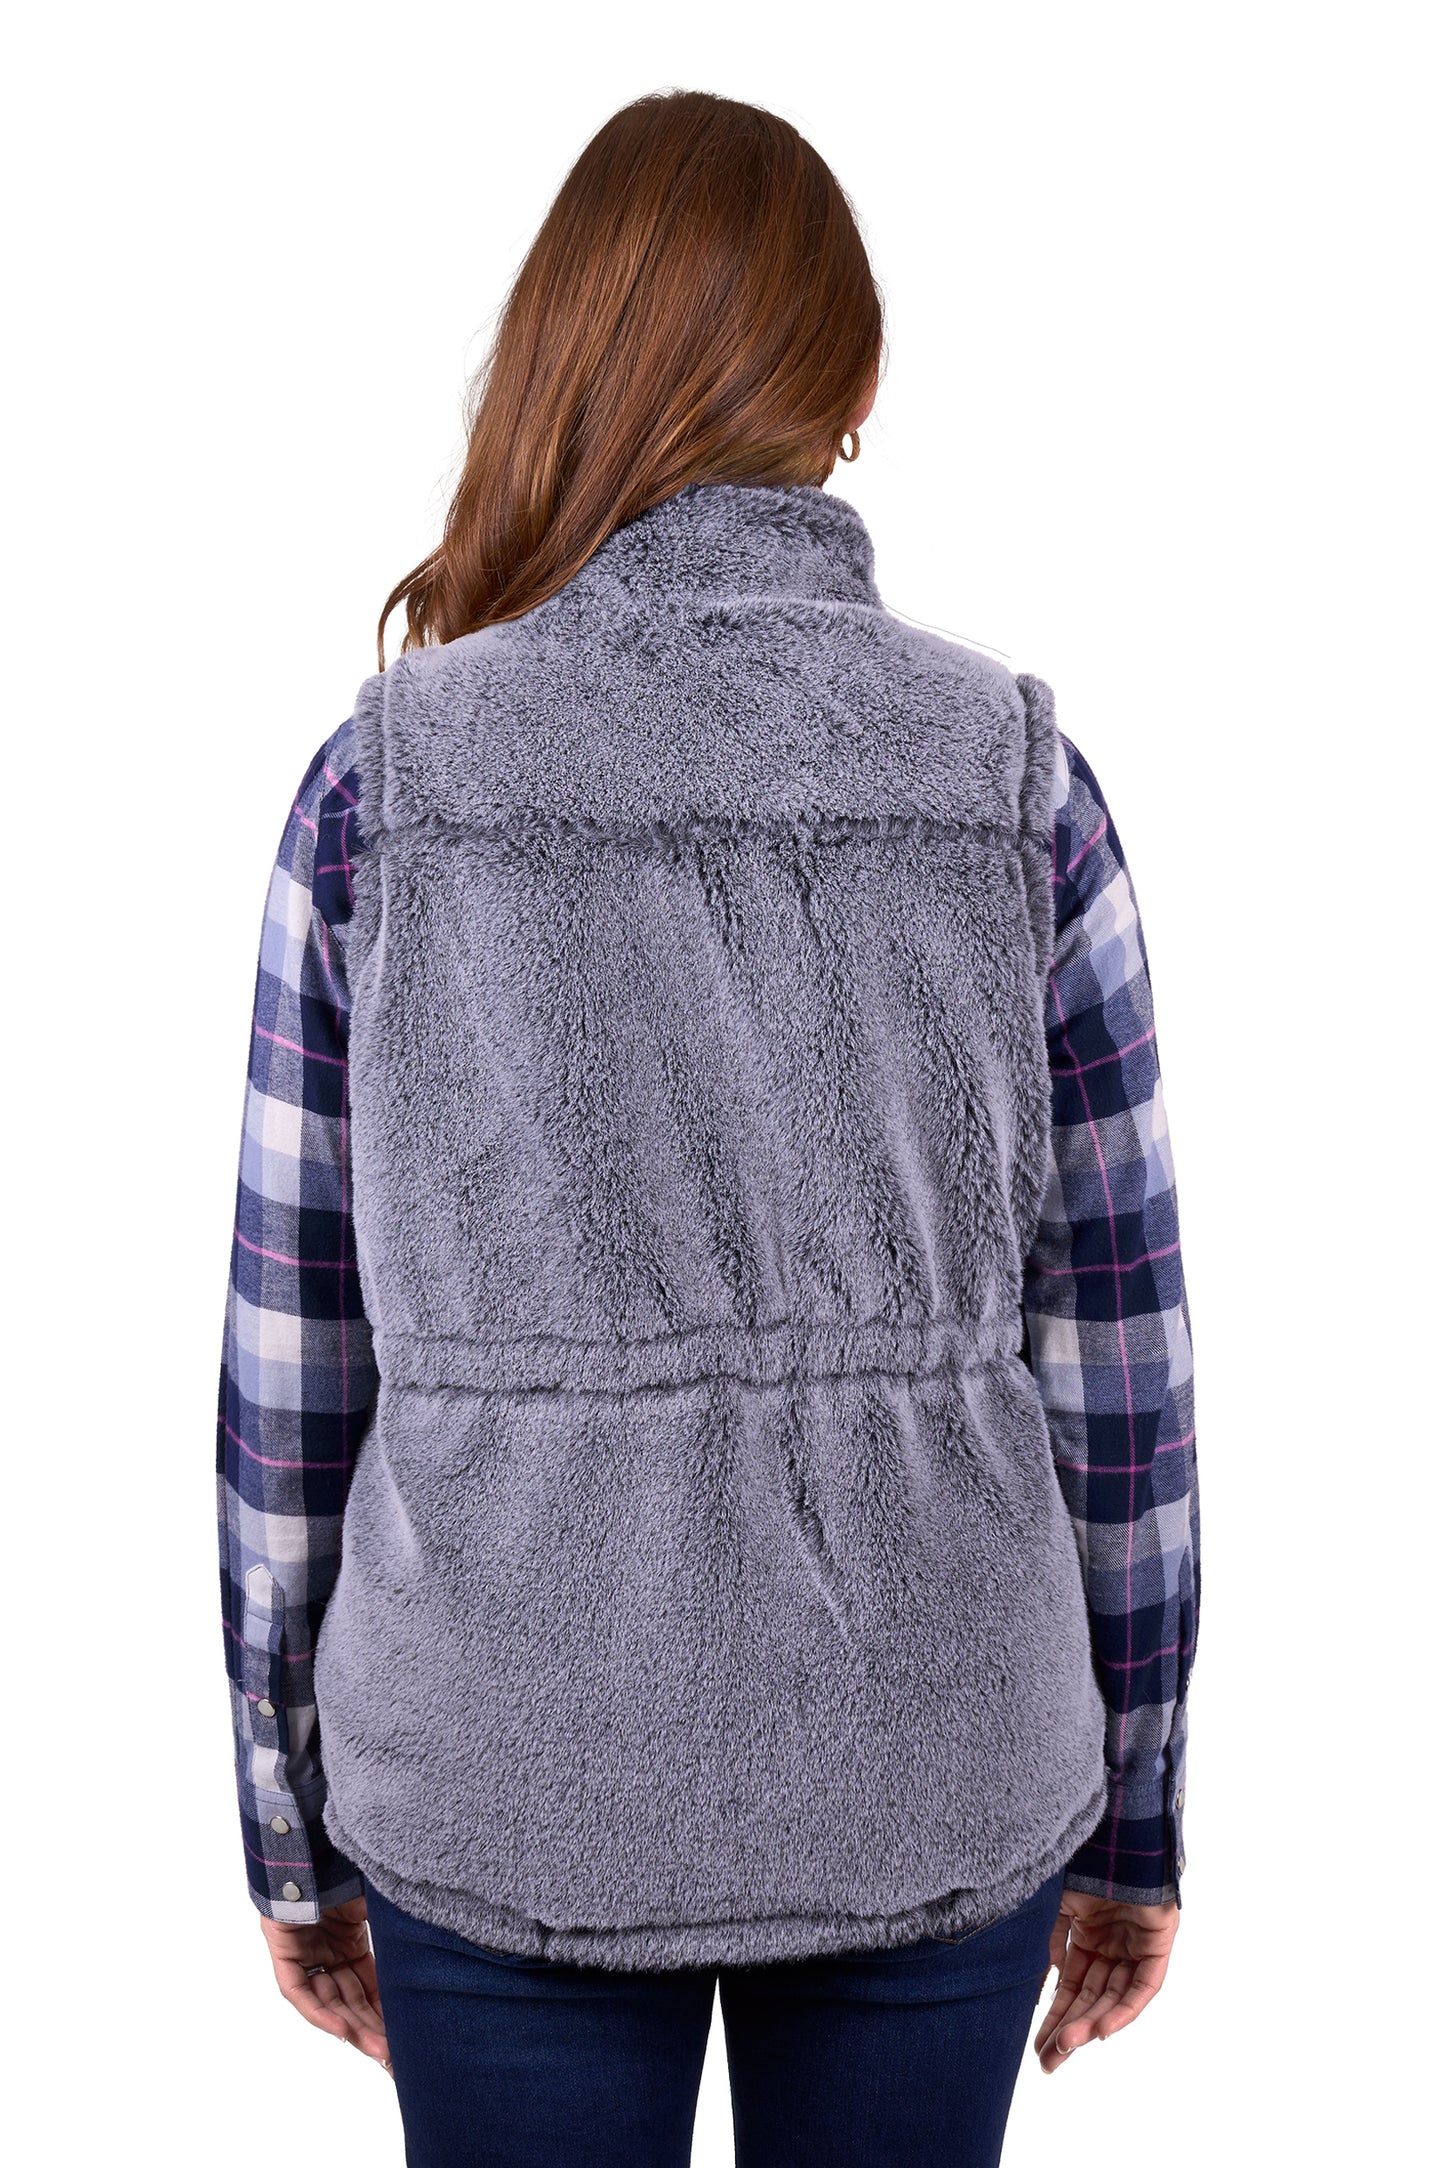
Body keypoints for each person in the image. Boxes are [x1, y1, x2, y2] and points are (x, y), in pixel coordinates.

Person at [216, 88, 1200, 2167]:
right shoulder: (1015, 777)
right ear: (851, 396)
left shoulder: (385, 787)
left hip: (505, 1764)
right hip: (935, 1758)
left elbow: (293, 1361)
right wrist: (1139, 1810)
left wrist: (290, 1826)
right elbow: (1119, 1355)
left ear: (560, 367)